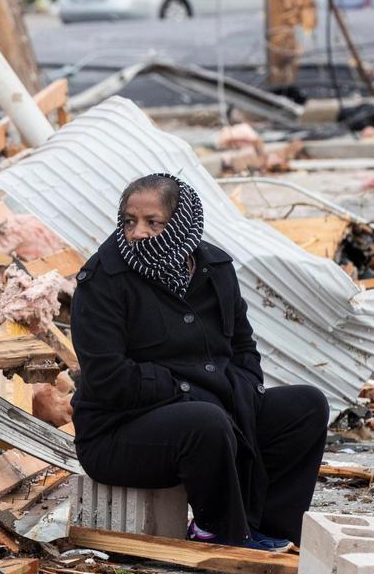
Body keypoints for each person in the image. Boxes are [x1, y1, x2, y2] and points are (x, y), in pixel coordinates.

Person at [70, 173, 328, 550]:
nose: (137, 232)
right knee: (205, 421)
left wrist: (241, 391)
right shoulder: (103, 281)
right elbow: (108, 377)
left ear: (181, 223)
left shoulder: (215, 269)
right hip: (119, 433)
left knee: (306, 405)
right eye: (129, 221)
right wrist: (186, 391)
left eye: (152, 222)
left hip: (215, 410)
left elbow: (243, 346)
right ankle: (220, 529)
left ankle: (271, 528)